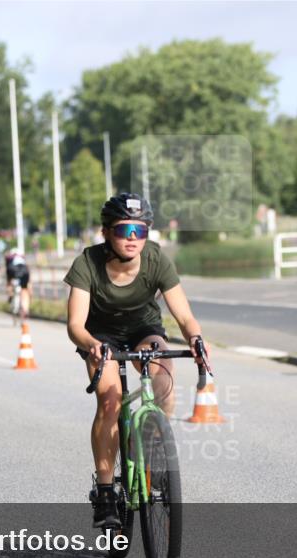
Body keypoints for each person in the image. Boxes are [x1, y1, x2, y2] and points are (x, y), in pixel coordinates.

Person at [64, 193, 207, 529]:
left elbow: (184, 316)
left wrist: (196, 340)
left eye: (140, 231)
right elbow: (75, 325)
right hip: (100, 338)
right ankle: (105, 490)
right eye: (124, 230)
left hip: (143, 329)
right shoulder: (88, 263)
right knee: (111, 400)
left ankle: (151, 448)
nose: (132, 239)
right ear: (106, 232)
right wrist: (92, 345)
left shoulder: (156, 260)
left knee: (163, 377)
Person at [5, 250, 31, 318]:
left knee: (9, 283)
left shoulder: (9, 258)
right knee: (24, 290)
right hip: (24, 270)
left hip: (12, 269)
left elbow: (8, 271)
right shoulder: (22, 257)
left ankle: (10, 296)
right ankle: (25, 309)